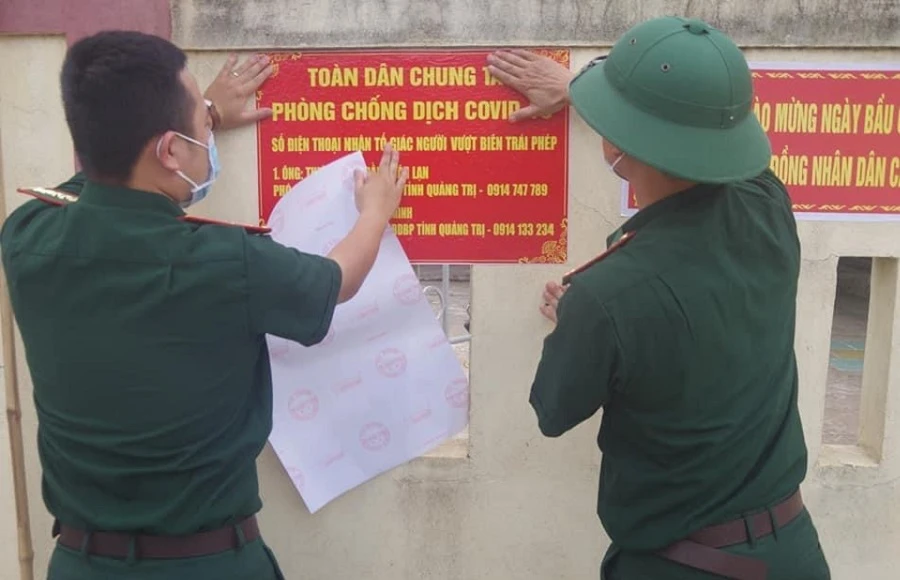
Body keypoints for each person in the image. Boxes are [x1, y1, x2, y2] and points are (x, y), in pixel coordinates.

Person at [0, 31, 406, 579]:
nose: (208, 132)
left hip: (79, 564)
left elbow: (100, 182)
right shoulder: (229, 264)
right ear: (170, 150)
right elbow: (336, 281)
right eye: (202, 124)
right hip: (209, 564)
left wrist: (205, 112)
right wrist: (374, 212)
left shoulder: (26, 237)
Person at [488, 16, 830, 580]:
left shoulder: (604, 297)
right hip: (794, 551)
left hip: (681, 565)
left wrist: (577, 323)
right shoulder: (769, 205)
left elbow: (554, 411)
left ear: (615, 145)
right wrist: (578, 89)